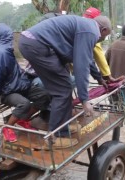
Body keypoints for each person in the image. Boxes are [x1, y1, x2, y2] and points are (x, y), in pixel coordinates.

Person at [18, 15, 112, 149]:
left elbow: (87, 59)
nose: (102, 39)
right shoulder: (91, 32)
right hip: (37, 45)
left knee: (62, 86)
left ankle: (63, 125)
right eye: (105, 36)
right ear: (103, 30)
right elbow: (81, 66)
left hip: (30, 43)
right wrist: (84, 99)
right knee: (62, 90)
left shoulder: (86, 27)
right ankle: (55, 137)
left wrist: (99, 78)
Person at [0, 24, 51, 142]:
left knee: (44, 94)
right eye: (9, 36)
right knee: (24, 104)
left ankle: (22, 120)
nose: (11, 39)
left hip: (18, 86)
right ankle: (7, 127)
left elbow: (17, 71)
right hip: (6, 91)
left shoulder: (8, 51)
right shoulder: (0, 54)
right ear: (4, 36)